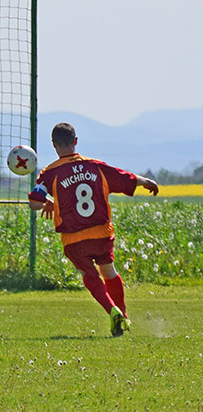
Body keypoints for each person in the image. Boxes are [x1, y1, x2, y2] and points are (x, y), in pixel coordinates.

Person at [28, 122, 159, 337]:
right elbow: (124, 177)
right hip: (101, 232)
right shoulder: (95, 166)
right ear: (76, 141)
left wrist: (48, 202)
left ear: (54, 145)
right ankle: (123, 316)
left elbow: (34, 202)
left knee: (88, 274)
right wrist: (147, 181)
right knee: (109, 271)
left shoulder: (49, 173)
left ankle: (112, 311)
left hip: (73, 238)